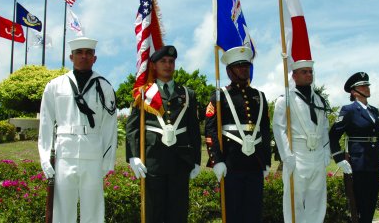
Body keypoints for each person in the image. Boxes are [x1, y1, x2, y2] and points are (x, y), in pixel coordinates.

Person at [38, 36, 118, 223]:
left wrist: (108, 159)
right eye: (79, 53)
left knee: (93, 210)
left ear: (94, 58)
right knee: (63, 210)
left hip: (93, 154)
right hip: (65, 153)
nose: (84, 56)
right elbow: (46, 122)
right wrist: (44, 157)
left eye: (88, 53)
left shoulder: (104, 87)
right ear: (71, 57)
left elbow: (109, 126)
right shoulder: (55, 86)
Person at [126, 45, 201, 223]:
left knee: (178, 212)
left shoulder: (187, 94)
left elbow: (194, 130)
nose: (167, 65)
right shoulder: (144, 94)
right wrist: (133, 156)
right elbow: (133, 127)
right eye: (163, 61)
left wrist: (196, 160)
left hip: (180, 162)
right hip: (153, 161)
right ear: (153, 65)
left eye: (171, 61)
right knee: (154, 212)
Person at [205, 46, 271, 223]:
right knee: (233, 213)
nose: (244, 69)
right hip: (231, 163)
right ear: (229, 71)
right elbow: (210, 130)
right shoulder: (220, 96)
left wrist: (266, 161)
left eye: (246, 65)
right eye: (239, 66)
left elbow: (265, 130)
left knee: (254, 213)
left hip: (255, 163)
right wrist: (216, 160)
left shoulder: (259, 96)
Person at [273, 60, 331, 223]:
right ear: (294, 75)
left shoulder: (319, 100)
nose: (309, 75)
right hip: (297, 155)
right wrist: (286, 155)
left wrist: (326, 151)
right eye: (304, 72)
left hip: (318, 154)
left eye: (310, 71)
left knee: (317, 199)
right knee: (294, 200)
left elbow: (325, 128)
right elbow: (279, 128)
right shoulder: (285, 100)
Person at [329, 72, 379, 223]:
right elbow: (333, 135)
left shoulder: (374, 111)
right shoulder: (349, 110)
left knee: (371, 203)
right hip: (358, 163)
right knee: (359, 204)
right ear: (354, 91)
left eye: (367, 85)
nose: (367, 88)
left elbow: (377, 136)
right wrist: (339, 158)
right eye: (363, 86)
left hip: (374, 163)